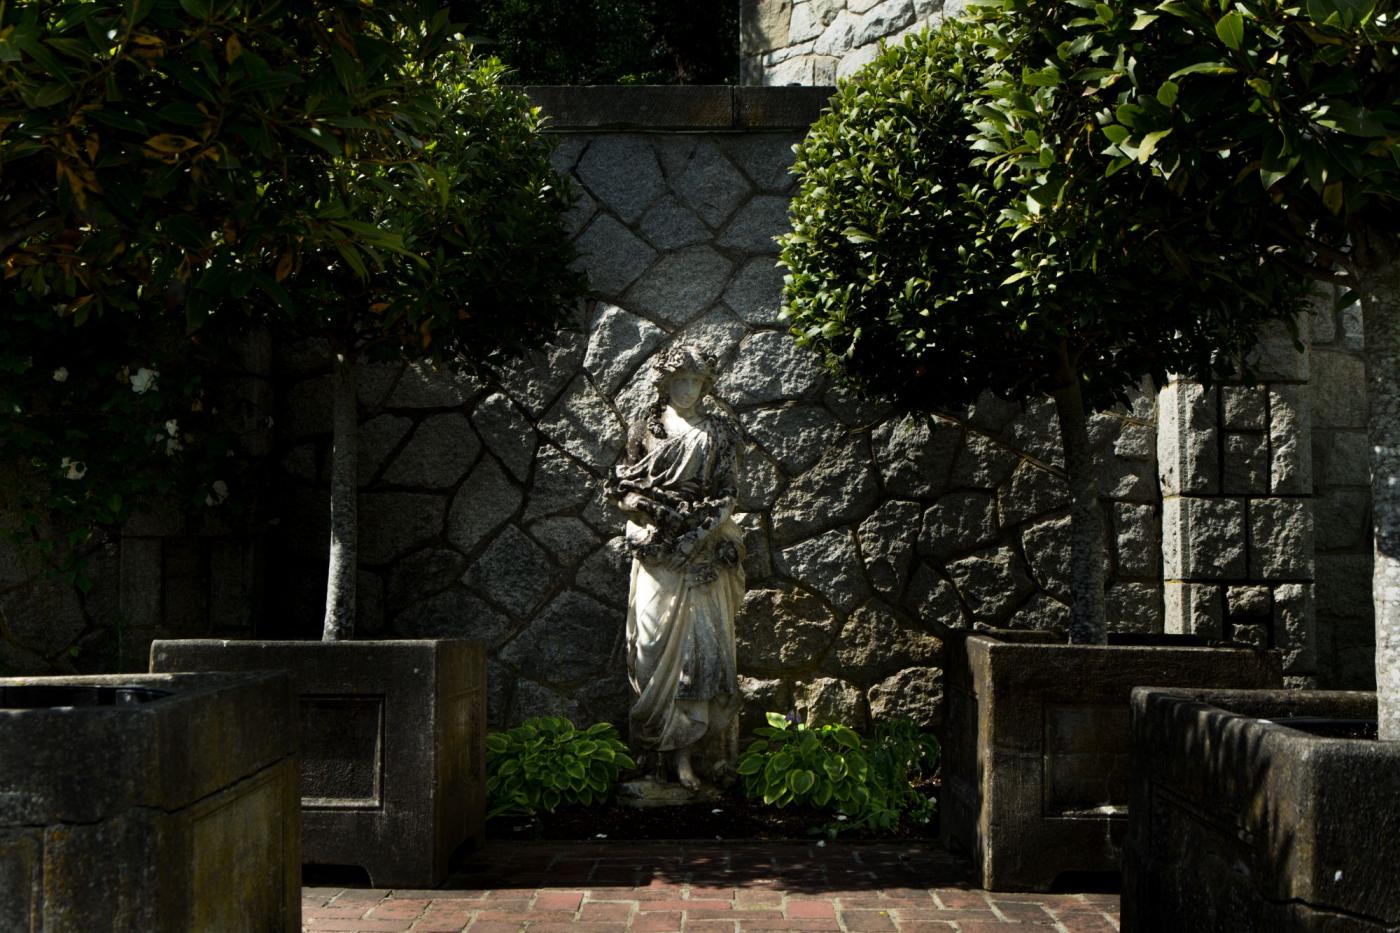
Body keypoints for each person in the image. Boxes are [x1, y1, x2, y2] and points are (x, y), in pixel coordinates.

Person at [610, 345, 744, 790]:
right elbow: (622, 486)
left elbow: (728, 492)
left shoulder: (720, 432)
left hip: (702, 554)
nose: (688, 389)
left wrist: (698, 532)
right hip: (657, 554)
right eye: (680, 381)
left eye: (696, 382)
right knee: (648, 644)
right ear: (665, 384)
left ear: (707, 386)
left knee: (698, 654)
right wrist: (649, 518)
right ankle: (654, 757)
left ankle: (687, 757)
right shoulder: (644, 429)